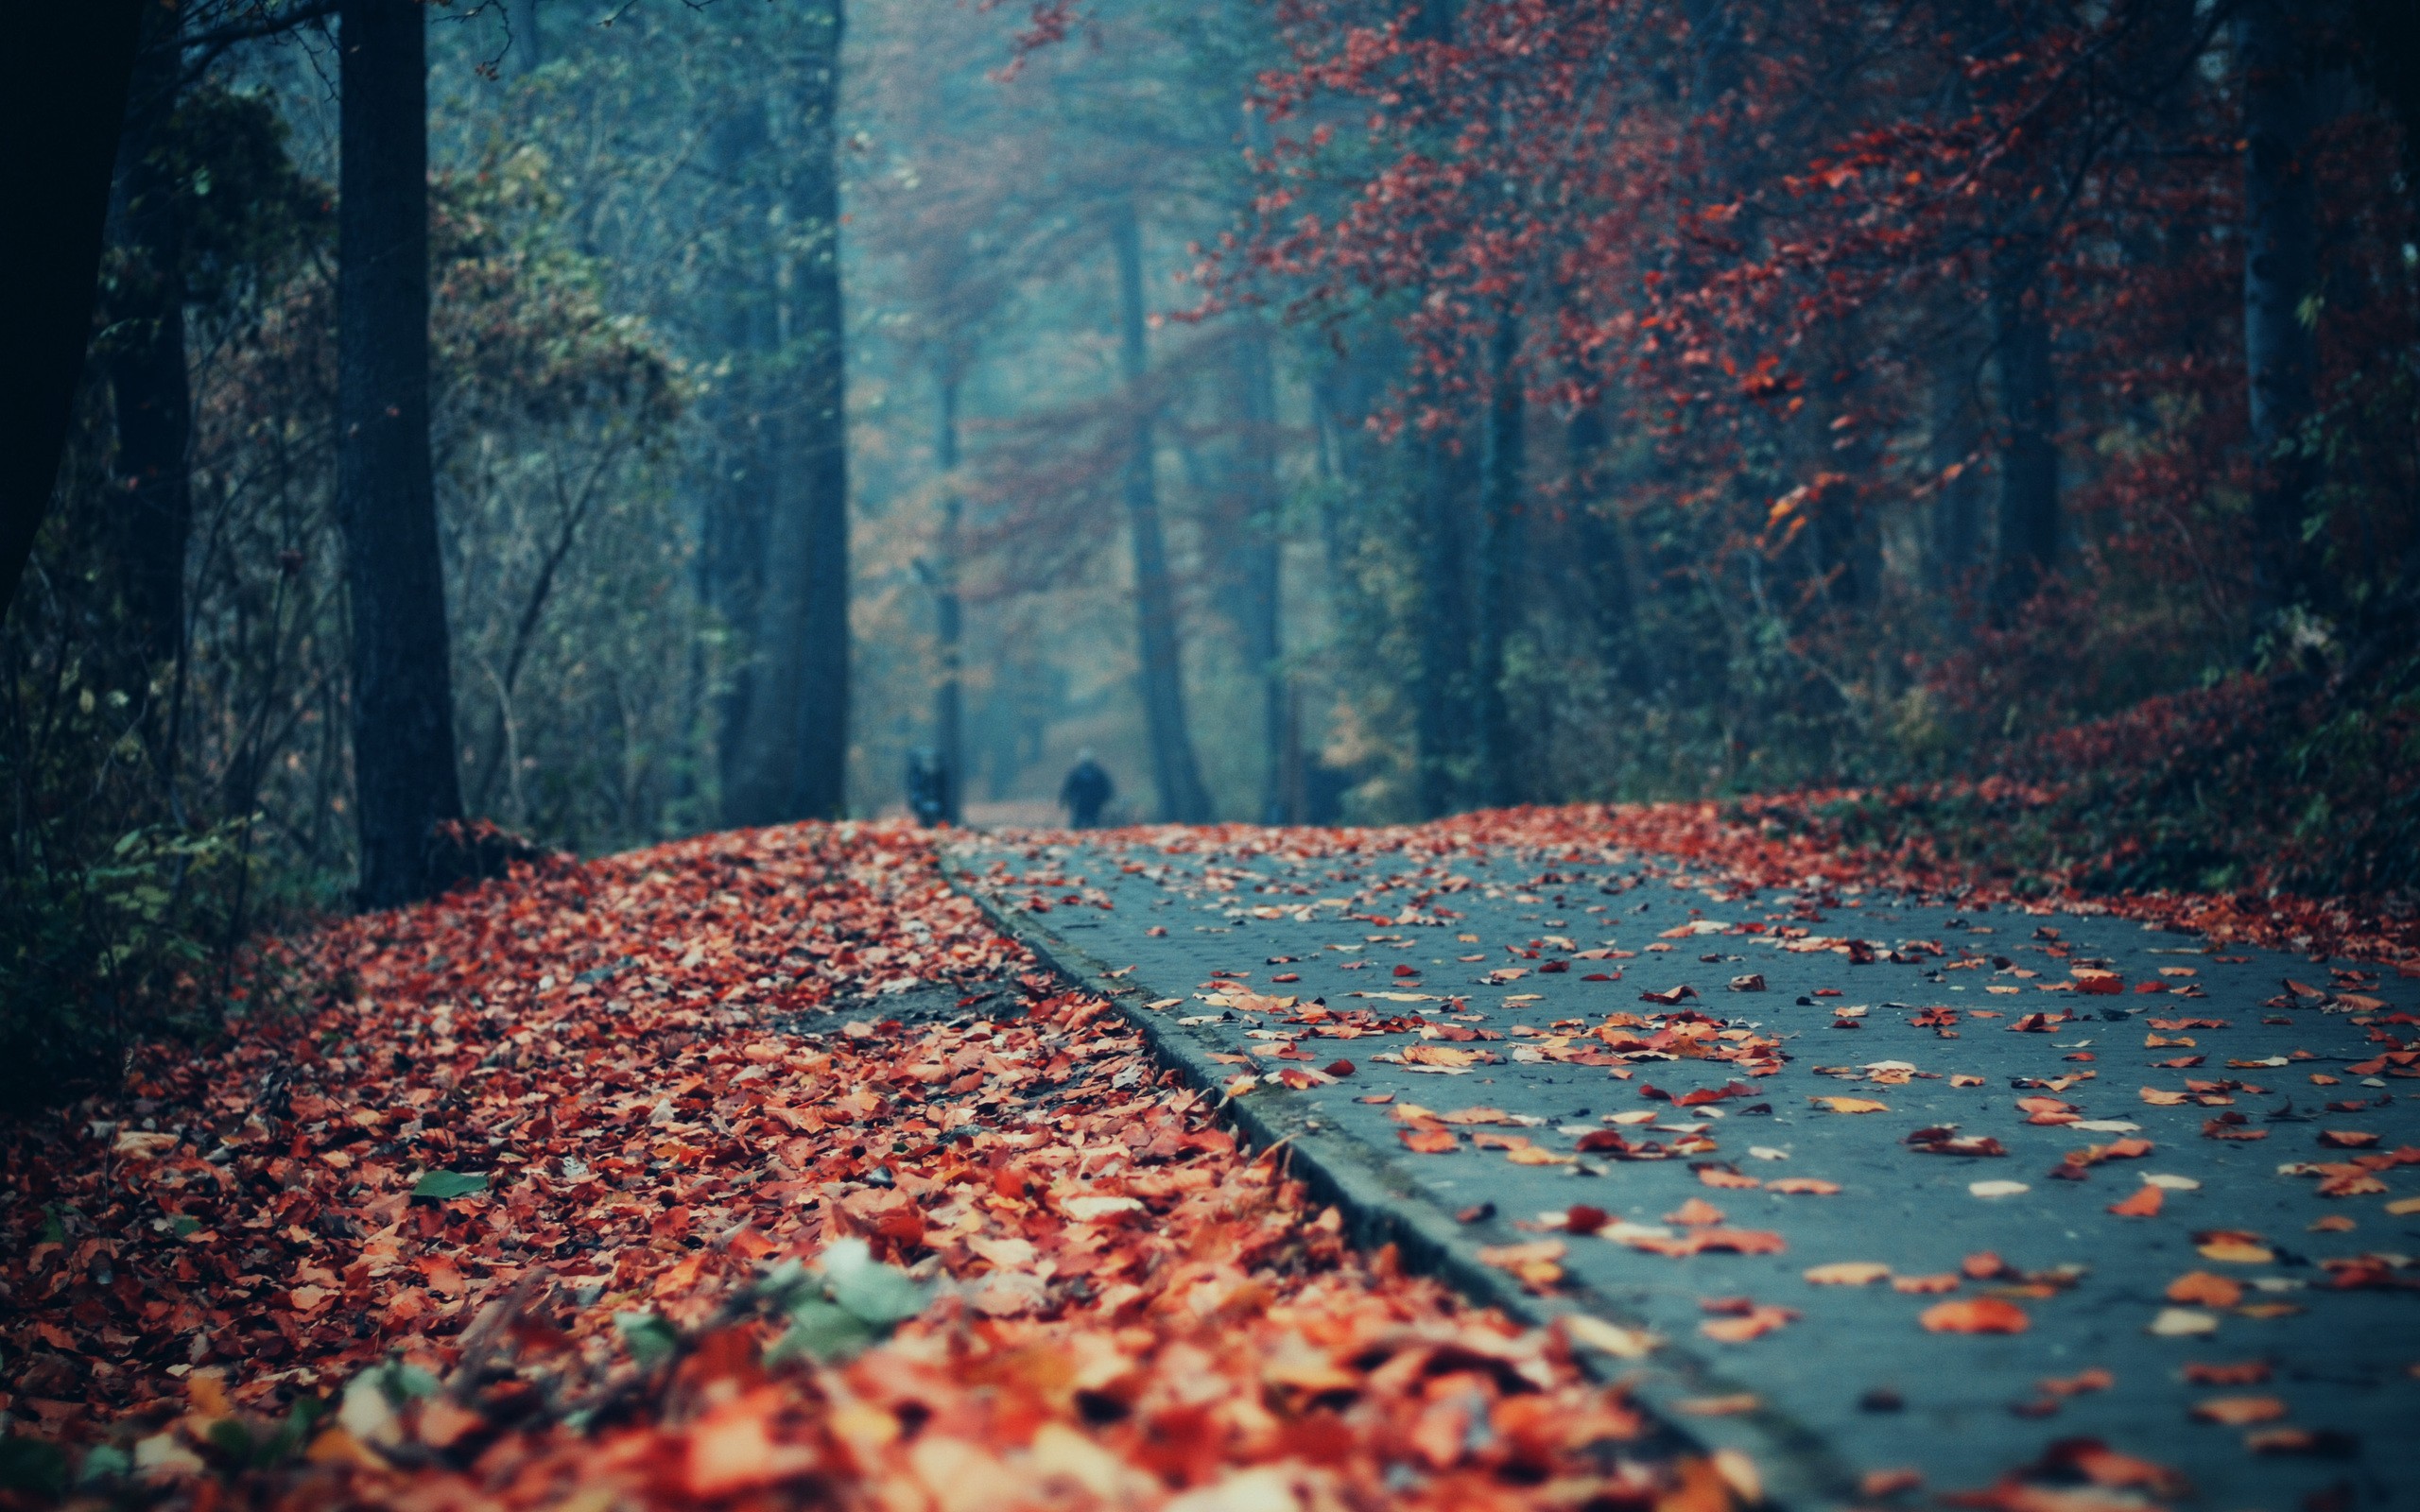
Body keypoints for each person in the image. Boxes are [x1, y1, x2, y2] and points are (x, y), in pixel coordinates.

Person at [1060, 750, 1114, 829]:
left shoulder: (1077, 772)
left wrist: (1063, 800)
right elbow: (1107, 788)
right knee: (1092, 821)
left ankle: (1076, 833)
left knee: (1079, 821)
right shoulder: (1098, 772)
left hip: (1083, 802)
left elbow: (1068, 788)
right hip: (1091, 802)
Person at [904, 747, 950, 829]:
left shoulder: (939, 775)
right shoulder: (917, 774)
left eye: (931, 761)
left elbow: (942, 792)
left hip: (935, 805)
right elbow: (916, 791)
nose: (929, 765)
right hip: (923, 804)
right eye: (926, 761)